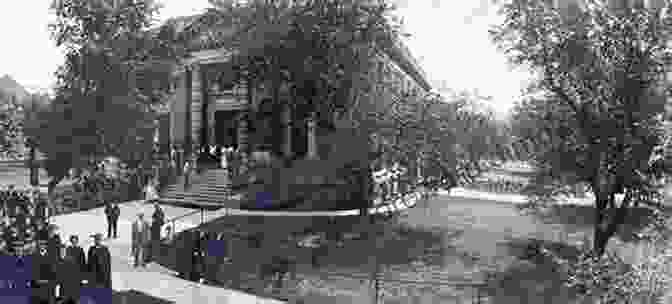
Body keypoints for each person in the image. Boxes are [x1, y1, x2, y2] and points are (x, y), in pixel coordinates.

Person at [62, 235, 86, 304]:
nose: (74, 242)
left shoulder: (80, 250)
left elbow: (83, 263)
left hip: (77, 274)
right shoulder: (68, 249)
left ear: (77, 241)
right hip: (69, 275)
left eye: (75, 241)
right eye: (73, 241)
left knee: (76, 294)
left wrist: (83, 276)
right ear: (71, 241)